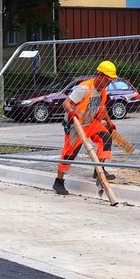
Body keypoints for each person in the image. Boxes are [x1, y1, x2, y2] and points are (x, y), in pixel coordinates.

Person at [53, 61, 118, 195]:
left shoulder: (103, 91)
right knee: (69, 154)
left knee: (106, 138)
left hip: (91, 123)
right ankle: (58, 182)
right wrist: (71, 112)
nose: (108, 83)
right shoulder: (84, 88)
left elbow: (102, 107)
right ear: (99, 75)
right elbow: (66, 103)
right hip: (75, 125)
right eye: (108, 80)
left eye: (110, 81)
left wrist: (109, 122)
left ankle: (99, 169)